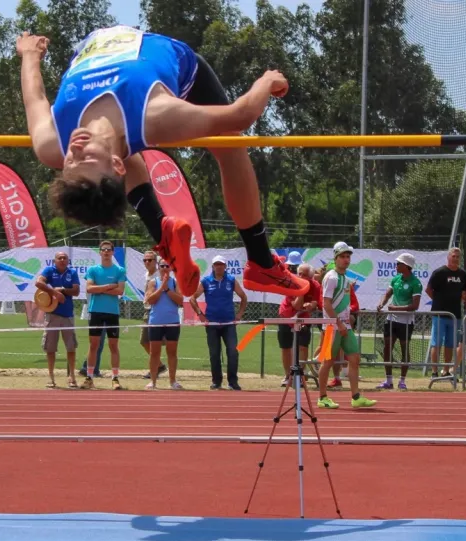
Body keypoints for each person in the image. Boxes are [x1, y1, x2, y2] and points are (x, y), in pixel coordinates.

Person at [16, 26, 309, 301]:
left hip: (98, 53)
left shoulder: (53, 143)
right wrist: (267, 81)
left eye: (71, 160)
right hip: (181, 71)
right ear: (117, 165)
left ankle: (163, 233)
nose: (76, 148)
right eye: (87, 157)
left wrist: (29, 55)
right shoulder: (157, 115)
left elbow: (35, 99)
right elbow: (240, 115)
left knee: (108, 143)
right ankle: (261, 262)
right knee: (229, 144)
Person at [317, 243, 376, 410]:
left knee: (354, 358)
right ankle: (322, 397)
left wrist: (346, 320)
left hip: (345, 326)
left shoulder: (345, 278)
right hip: (332, 326)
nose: (346, 260)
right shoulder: (331, 277)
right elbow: (326, 304)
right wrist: (338, 323)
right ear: (335, 258)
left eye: (348, 257)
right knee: (328, 361)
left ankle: (356, 397)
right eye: (342, 257)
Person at [190, 255, 247, 390]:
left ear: (225, 266)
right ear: (213, 266)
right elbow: (192, 298)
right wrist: (200, 314)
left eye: (221, 264)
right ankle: (216, 381)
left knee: (233, 352)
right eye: (216, 264)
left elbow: (243, 297)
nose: (219, 267)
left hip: (229, 323)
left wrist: (239, 314)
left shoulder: (231, 280)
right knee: (214, 353)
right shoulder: (206, 281)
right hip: (212, 323)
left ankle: (233, 382)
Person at [82, 240, 127, 390]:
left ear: (113, 252)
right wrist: (108, 286)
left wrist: (99, 289)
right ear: (100, 252)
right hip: (96, 311)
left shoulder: (119, 270)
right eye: (103, 249)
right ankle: (89, 377)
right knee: (93, 345)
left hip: (112, 312)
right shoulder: (93, 270)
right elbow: (89, 288)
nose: (106, 252)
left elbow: (120, 291)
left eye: (109, 249)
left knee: (113, 345)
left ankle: (115, 378)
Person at [375, 253, 423, 391]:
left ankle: (402, 381)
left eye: (399, 264)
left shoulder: (416, 283)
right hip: (391, 319)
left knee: (404, 350)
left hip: (406, 321)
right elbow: (387, 294)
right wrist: (381, 303)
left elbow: (415, 306)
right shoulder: (396, 279)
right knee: (387, 348)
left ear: (407, 266)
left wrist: (395, 308)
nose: (396, 266)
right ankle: (388, 380)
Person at [35, 251, 81, 388]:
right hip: (52, 314)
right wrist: (54, 292)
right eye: (59, 258)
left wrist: (63, 290)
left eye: (64, 258)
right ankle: (51, 377)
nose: (62, 260)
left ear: (68, 261)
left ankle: (72, 376)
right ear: (55, 260)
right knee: (50, 348)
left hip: (67, 315)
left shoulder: (72, 273)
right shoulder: (49, 270)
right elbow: (38, 282)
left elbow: (76, 291)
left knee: (71, 347)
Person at [274, 262, 321, 387]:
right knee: (286, 347)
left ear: (310, 277)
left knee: (303, 346)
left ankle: (299, 375)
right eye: (299, 274)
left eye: (304, 275)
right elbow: (296, 305)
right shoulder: (291, 284)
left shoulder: (315, 285)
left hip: (302, 318)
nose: (300, 277)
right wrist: (302, 291)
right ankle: (288, 376)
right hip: (286, 316)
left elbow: (315, 303)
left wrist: (311, 305)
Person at [426, 247, 466, 378]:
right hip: (440, 315)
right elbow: (428, 290)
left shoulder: (463, 274)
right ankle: (434, 372)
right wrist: (439, 301)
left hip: (455, 315)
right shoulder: (439, 272)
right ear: (448, 257)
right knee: (437, 343)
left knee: (450, 345)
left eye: (457, 257)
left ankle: (445, 371)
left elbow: (465, 292)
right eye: (453, 256)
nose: (455, 259)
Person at [143, 258, 184, 390]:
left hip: (172, 321)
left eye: (167, 266)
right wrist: (161, 287)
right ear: (158, 267)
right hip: (156, 321)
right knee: (154, 352)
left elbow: (180, 300)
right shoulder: (153, 282)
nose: (165, 268)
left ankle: (172, 381)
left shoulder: (175, 282)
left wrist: (167, 290)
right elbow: (150, 300)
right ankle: (153, 381)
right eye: (162, 266)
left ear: (171, 268)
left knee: (172, 352)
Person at [138, 250, 166, 379]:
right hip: (147, 310)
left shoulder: (159, 274)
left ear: (156, 261)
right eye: (145, 260)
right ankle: (159, 365)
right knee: (144, 341)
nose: (147, 262)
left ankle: (155, 368)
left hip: (157, 310)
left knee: (153, 341)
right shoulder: (146, 275)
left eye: (150, 260)